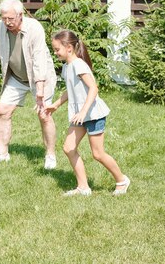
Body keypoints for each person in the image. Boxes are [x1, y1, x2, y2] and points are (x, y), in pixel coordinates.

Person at [0, 0, 58, 169]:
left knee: (44, 115)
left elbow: (39, 60)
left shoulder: (35, 28)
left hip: (40, 77)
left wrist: (39, 90)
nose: (7, 22)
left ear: (20, 15)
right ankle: (2, 153)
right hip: (16, 77)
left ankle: (50, 155)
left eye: (11, 19)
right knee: (3, 110)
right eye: (4, 18)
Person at [44, 29, 130, 196]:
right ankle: (83, 187)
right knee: (69, 148)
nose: (55, 53)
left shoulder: (79, 65)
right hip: (80, 115)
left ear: (69, 47)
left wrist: (83, 111)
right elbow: (70, 90)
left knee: (97, 154)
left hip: (93, 114)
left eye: (57, 49)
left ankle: (122, 180)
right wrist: (55, 105)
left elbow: (93, 88)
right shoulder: (67, 67)